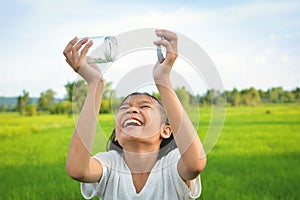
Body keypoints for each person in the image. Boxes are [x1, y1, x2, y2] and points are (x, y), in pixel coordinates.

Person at [63, 29, 206, 199]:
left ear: (166, 130)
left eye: (144, 106)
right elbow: (77, 169)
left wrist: (163, 80)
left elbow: (195, 163)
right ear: (116, 135)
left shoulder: (171, 164)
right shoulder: (110, 164)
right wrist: (95, 84)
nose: (132, 110)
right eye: (124, 108)